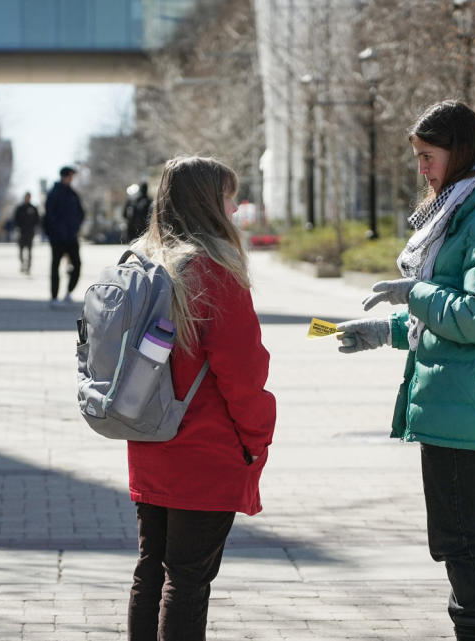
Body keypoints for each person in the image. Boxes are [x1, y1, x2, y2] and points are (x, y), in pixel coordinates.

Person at [336, 101, 475, 641]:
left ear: (461, 153)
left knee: (462, 539)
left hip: (472, 403)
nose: (423, 171)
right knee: (459, 536)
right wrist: (389, 331)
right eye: (418, 159)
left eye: (429, 157)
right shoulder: (464, 213)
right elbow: (457, 318)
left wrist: (417, 294)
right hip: (462, 398)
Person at [125, 156, 275, 640]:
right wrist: (256, 440)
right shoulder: (213, 272)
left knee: (152, 569)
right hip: (205, 449)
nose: (234, 209)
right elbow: (243, 373)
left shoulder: (141, 265)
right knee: (187, 579)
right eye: (228, 198)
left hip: (148, 440)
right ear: (209, 204)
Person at [44, 166, 85, 305]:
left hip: (71, 237)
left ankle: (68, 292)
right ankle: (54, 297)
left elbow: (81, 213)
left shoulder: (72, 194)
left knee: (77, 264)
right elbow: (48, 215)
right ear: (64, 176)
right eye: (70, 176)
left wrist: (75, 227)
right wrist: (53, 232)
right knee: (55, 266)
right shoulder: (54, 193)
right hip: (57, 238)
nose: (71, 178)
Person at [13, 191, 40, 274]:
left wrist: (34, 227)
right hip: (21, 232)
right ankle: (22, 264)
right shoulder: (20, 208)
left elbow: (37, 219)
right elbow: (15, 219)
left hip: (30, 232)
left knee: (29, 251)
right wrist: (18, 227)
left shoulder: (33, 208)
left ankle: (28, 267)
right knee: (21, 250)